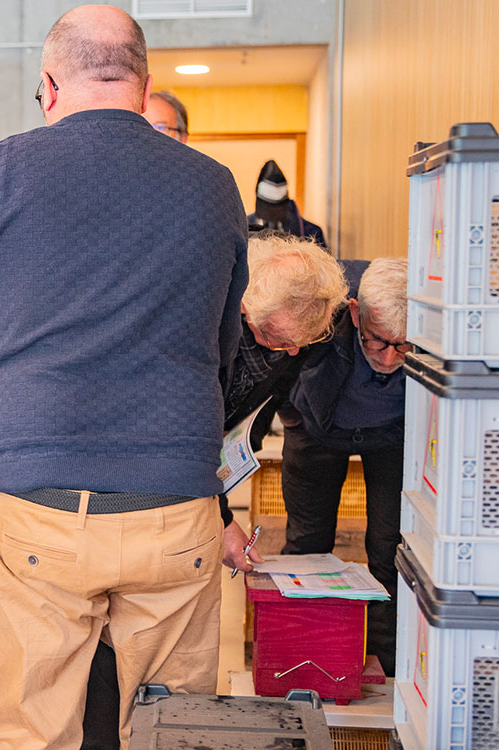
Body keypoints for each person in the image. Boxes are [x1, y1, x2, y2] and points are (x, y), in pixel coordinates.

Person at [0, 6, 247, 746]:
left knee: (28, 734)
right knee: (174, 732)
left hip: (38, 509)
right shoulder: (212, 185)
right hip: (176, 508)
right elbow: (224, 341)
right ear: (144, 83)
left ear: (48, 85)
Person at [81, 231, 349, 750]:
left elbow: (242, 423)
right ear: (244, 308)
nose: (291, 350)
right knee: (104, 645)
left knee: (161, 662)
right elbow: (182, 425)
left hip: (189, 483)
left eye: (302, 342)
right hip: (124, 481)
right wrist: (221, 511)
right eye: (277, 338)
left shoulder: (287, 332)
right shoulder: (196, 325)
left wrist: (223, 497)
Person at [279, 257, 408, 675]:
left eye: (404, 345)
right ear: (355, 313)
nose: (389, 359)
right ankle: (305, 659)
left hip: (392, 435)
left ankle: (386, 666)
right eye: (377, 341)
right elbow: (274, 365)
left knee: (390, 550)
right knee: (308, 545)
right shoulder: (320, 303)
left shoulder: (427, 315)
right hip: (317, 427)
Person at [248, 160, 326, 247]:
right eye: (268, 208)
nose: (273, 214)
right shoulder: (243, 228)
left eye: (277, 209)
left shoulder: (311, 233)